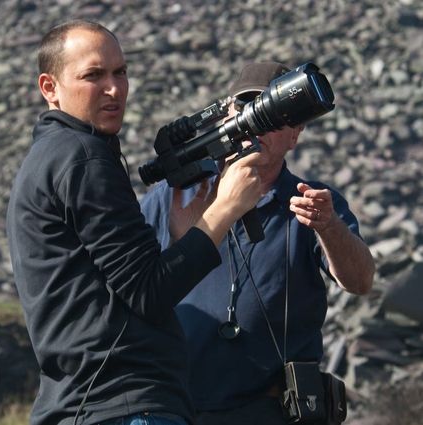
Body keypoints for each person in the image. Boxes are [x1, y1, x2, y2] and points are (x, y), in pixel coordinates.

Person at [6, 20, 263, 425]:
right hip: (121, 405)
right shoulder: (83, 158)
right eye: (93, 75)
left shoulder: (53, 157)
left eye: (120, 72)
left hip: (89, 404)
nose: (114, 89)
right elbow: (150, 293)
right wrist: (224, 209)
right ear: (49, 87)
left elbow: (119, 291)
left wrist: (183, 236)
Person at [141, 61, 375, 425]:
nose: (256, 124)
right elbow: (129, 284)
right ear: (225, 117)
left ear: (295, 134)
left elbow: (360, 281)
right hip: (178, 406)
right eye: (246, 107)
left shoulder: (309, 202)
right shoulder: (175, 196)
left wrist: (328, 227)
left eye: (272, 113)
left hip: (271, 410)